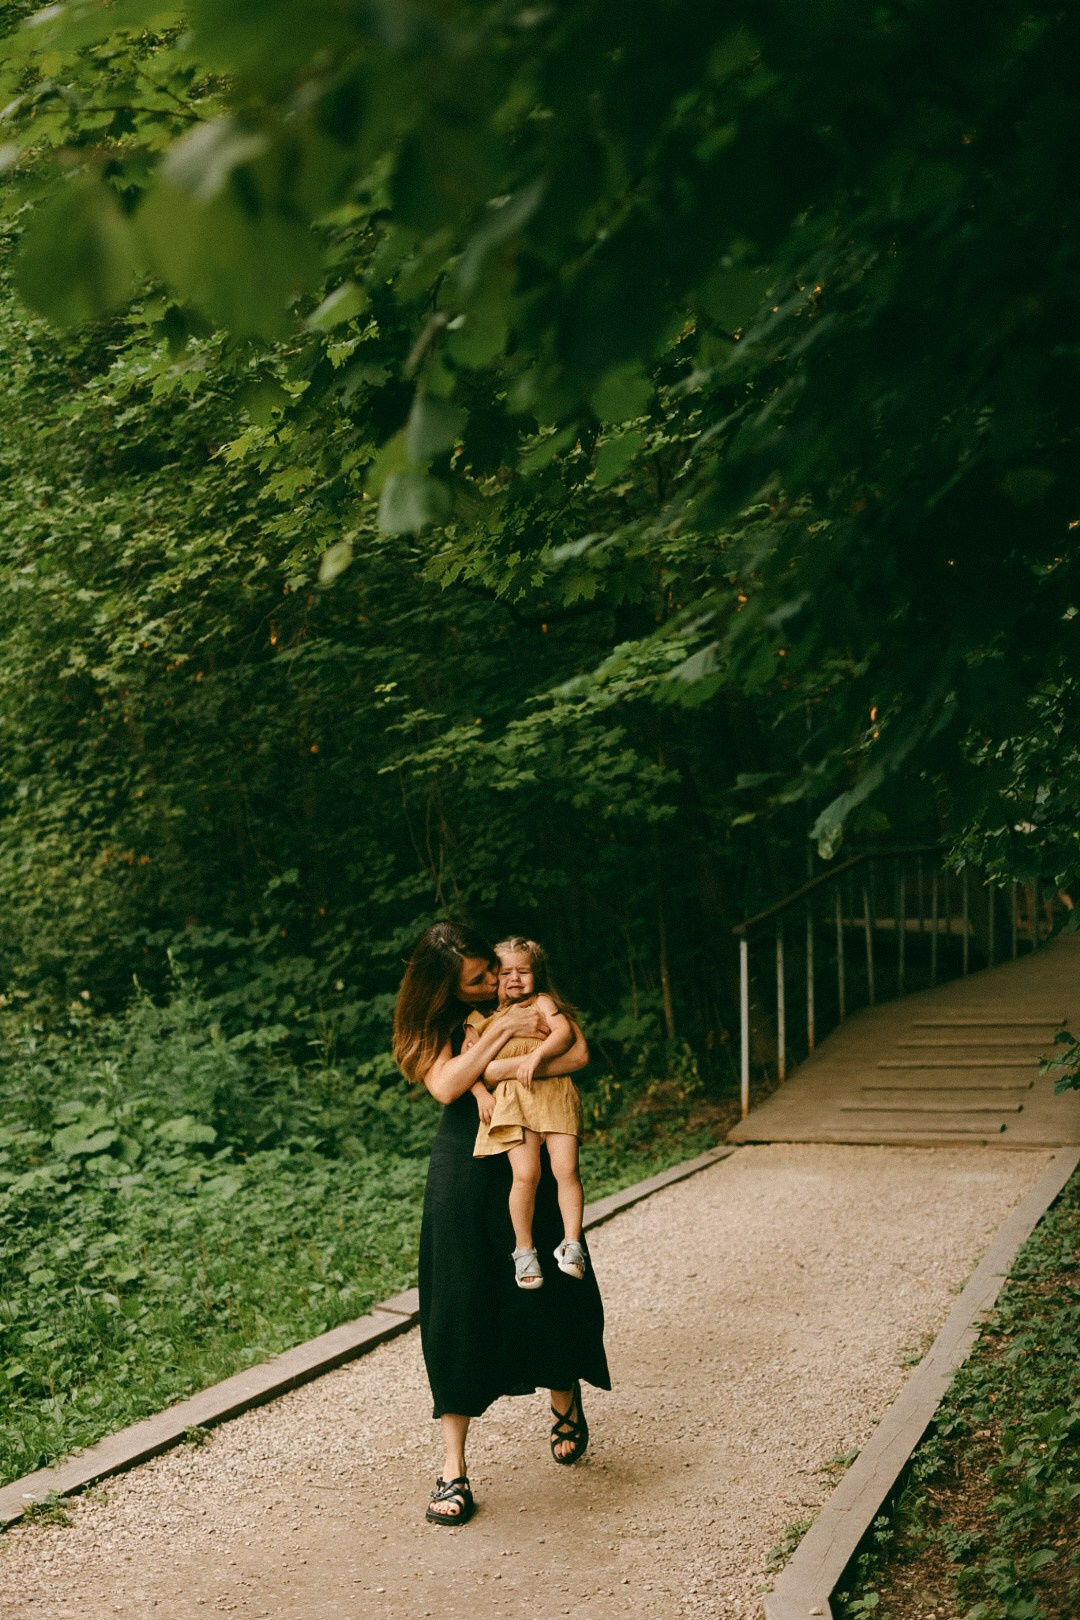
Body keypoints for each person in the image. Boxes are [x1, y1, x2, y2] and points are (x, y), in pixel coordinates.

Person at [393, 921, 610, 1527]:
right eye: (478, 979)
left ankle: (563, 1395)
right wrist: (498, 1043)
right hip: (465, 1155)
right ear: (444, 986)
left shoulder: (520, 991)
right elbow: (445, 1086)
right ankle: (453, 1468)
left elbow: (580, 1052)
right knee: (458, 1298)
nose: (493, 982)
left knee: (551, 1277)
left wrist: (499, 1063)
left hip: (530, 1140)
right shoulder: (431, 1023)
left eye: (492, 970)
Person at [465, 937, 586, 1292]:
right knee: (526, 1174)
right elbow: (467, 1064)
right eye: (505, 972)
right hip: (514, 1103)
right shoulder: (481, 1019)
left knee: (566, 1169)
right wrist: (479, 1096)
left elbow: (564, 1033)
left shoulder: (542, 1003)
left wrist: (536, 1056)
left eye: (524, 971)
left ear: (537, 975)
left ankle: (572, 1244)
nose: (514, 978)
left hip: (555, 1095)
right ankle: (524, 1251)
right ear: (492, 978)